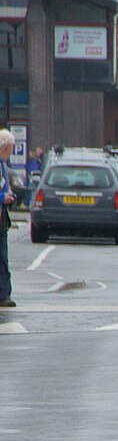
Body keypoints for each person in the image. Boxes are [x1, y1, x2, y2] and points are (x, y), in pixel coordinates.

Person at [0, 128, 16, 308]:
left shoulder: (3, 166)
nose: (11, 152)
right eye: (10, 148)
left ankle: (4, 294)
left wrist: (8, 195)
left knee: (3, 258)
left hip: (2, 218)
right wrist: (2, 197)